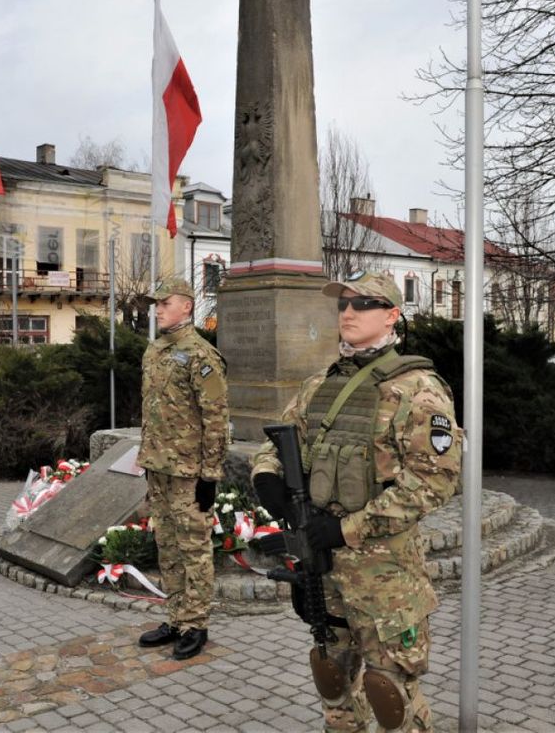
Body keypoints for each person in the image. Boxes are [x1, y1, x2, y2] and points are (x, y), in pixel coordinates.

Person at [251, 271, 462, 733]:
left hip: (383, 573)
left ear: (391, 315)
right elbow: (277, 442)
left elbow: (435, 483)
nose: (348, 312)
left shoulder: (417, 390)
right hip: (322, 565)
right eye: (343, 304)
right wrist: (268, 479)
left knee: (389, 692)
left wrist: (346, 529)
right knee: (332, 676)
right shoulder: (319, 385)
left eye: (363, 304)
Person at [135, 278, 229, 661]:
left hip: (189, 471)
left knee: (193, 548)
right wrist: (148, 458)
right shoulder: (154, 351)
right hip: (159, 466)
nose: (157, 309)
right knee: (168, 546)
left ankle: (195, 624)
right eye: (155, 304)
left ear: (187, 307)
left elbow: (216, 419)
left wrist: (210, 475)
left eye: (165, 303)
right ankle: (175, 617)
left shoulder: (201, 355)